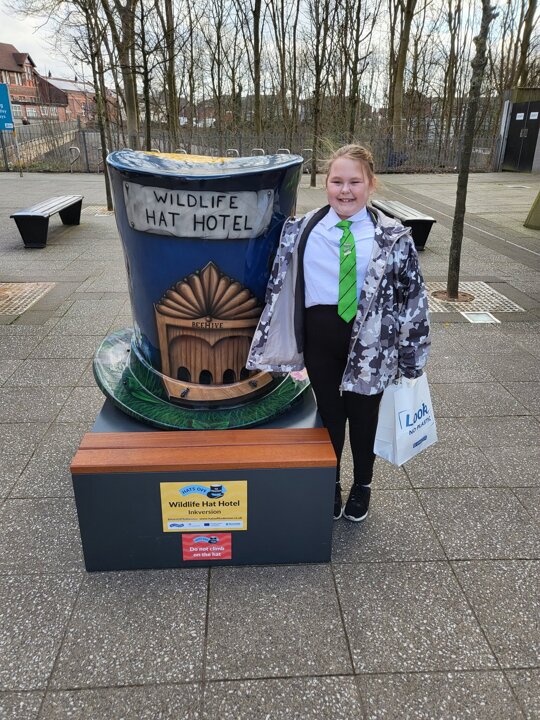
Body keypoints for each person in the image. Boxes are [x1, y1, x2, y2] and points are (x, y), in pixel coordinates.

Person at [247, 144, 430, 522]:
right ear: (325, 183)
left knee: (364, 418)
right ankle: (328, 482)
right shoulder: (301, 231)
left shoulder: (393, 238)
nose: (345, 190)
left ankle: (362, 484)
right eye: (337, 181)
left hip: (372, 347)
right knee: (329, 415)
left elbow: (413, 299)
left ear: (371, 184)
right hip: (321, 343)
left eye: (354, 182)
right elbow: (278, 284)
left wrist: (412, 357)